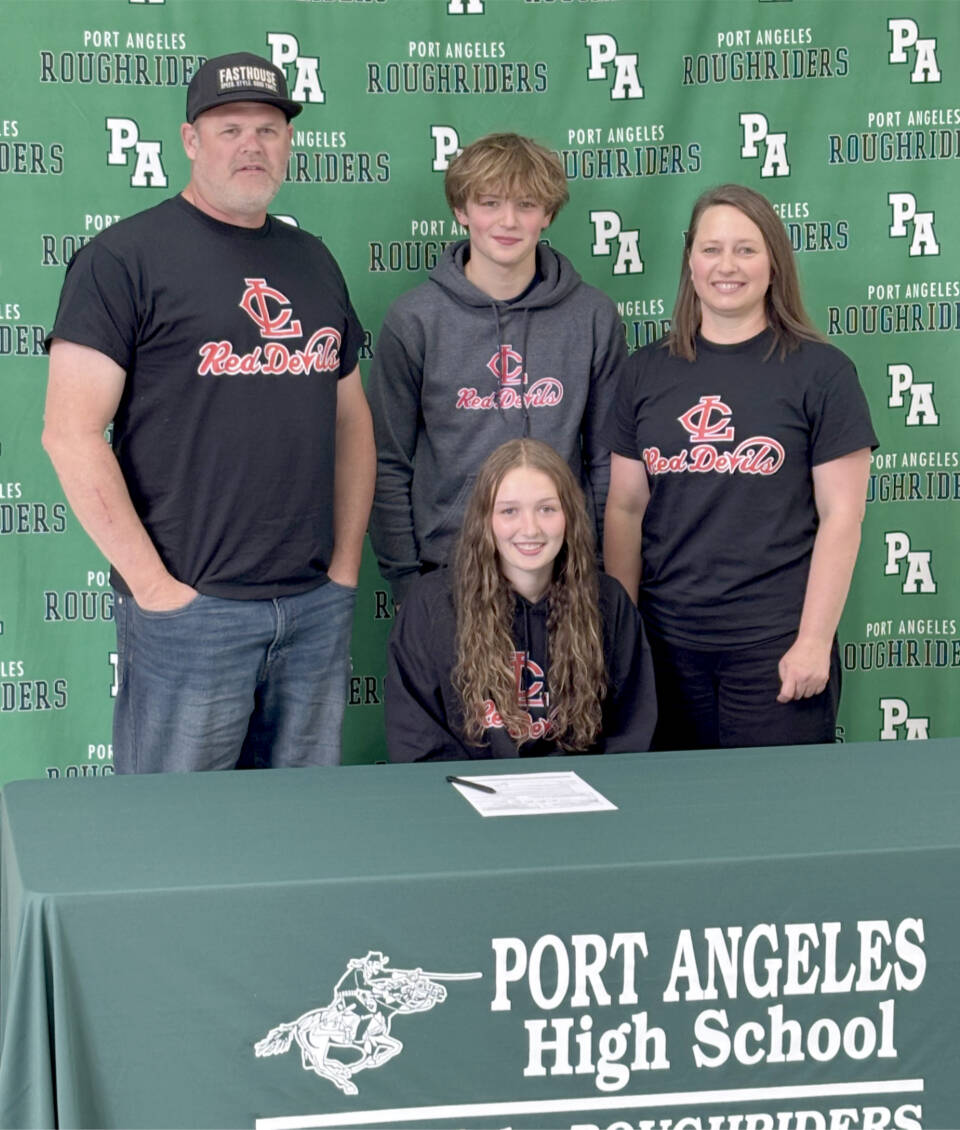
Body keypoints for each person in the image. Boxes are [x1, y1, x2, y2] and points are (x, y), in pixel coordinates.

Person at [41, 52, 375, 773]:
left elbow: (351, 420)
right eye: (229, 129)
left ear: (288, 143)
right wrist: (158, 591)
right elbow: (69, 433)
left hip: (313, 605)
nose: (251, 145)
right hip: (193, 612)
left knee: (296, 831)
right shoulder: (123, 258)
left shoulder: (313, 260)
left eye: (268, 128)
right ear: (190, 141)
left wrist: (344, 568)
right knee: (173, 843)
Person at [603, 183, 877, 751]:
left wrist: (813, 642)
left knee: (777, 822)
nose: (727, 265)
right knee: (671, 824)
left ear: (774, 262)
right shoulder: (644, 373)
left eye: (746, 249)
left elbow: (842, 517)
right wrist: (622, 636)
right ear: (690, 262)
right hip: (665, 648)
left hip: (775, 646)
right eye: (711, 249)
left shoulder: (823, 374)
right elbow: (626, 508)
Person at [368, 132, 627, 604]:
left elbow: (606, 461)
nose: (508, 221)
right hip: (446, 571)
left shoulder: (593, 317)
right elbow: (388, 462)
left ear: (547, 215)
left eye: (526, 204)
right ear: (461, 211)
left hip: (564, 569)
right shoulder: (414, 319)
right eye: (489, 203)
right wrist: (406, 579)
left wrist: (600, 568)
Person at [385, 439, 656, 761]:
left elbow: (630, 737)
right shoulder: (433, 604)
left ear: (569, 515)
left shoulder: (608, 603)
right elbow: (418, 739)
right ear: (484, 520)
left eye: (547, 509)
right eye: (509, 511)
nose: (530, 529)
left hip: (580, 800)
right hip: (468, 798)